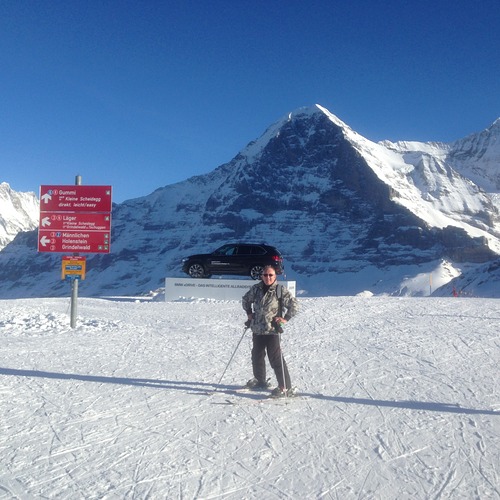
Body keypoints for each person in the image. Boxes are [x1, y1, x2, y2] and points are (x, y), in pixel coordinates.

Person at [242, 265, 299, 397]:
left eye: (270, 275)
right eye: (265, 275)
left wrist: (285, 319)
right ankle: (260, 380)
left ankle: (285, 386)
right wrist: (249, 313)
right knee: (257, 355)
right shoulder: (256, 289)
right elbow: (245, 300)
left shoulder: (280, 290)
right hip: (257, 329)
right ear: (262, 276)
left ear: (275, 276)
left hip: (272, 330)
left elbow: (294, 305)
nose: (268, 278)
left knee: (275, 358)